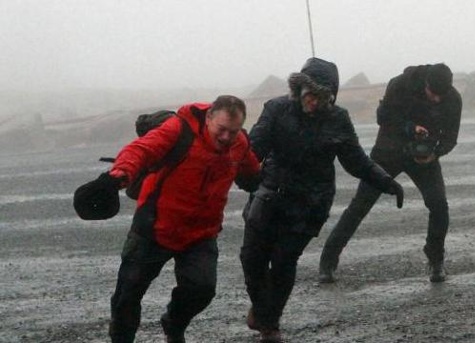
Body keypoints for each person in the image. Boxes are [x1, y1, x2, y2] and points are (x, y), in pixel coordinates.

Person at [239, 57, 404, 343]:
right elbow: (253, 151)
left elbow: (357, 161)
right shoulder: (276, 109)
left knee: (283, 261)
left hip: (310, 204)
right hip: (269, 196)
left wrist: (387, 182)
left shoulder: (338, 118)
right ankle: (263, 308)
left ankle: (270, 324)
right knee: (251, 259)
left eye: (322, 97)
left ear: (332, 97)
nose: (314, 102)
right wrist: (241, 174)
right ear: (299, 88)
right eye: (310, 94)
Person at [105, 96, 260, 343]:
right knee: (127, 295)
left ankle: (174, 324)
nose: (226, 137)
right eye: (221, 130)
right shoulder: (179, 130)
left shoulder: (238, 143)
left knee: (202, 290)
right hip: (154, 227)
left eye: (233, 131)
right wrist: (119, 173)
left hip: (200, 234)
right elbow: (142, 149)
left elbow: (251, 171)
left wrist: (269, 181)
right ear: (209, 118)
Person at [319, 63, 462, 284]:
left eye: (440, 97)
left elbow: (451, 137)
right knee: (360, 205)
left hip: (424, 157)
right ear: (426, 83)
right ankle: (328, 261)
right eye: (432, 94)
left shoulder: (452, 99)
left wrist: (435, 153)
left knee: (439, 205)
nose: (436, 100)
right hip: (388, 152)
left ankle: (436, 259)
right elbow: (382, 116)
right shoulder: (400, 84)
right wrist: (410, 128)